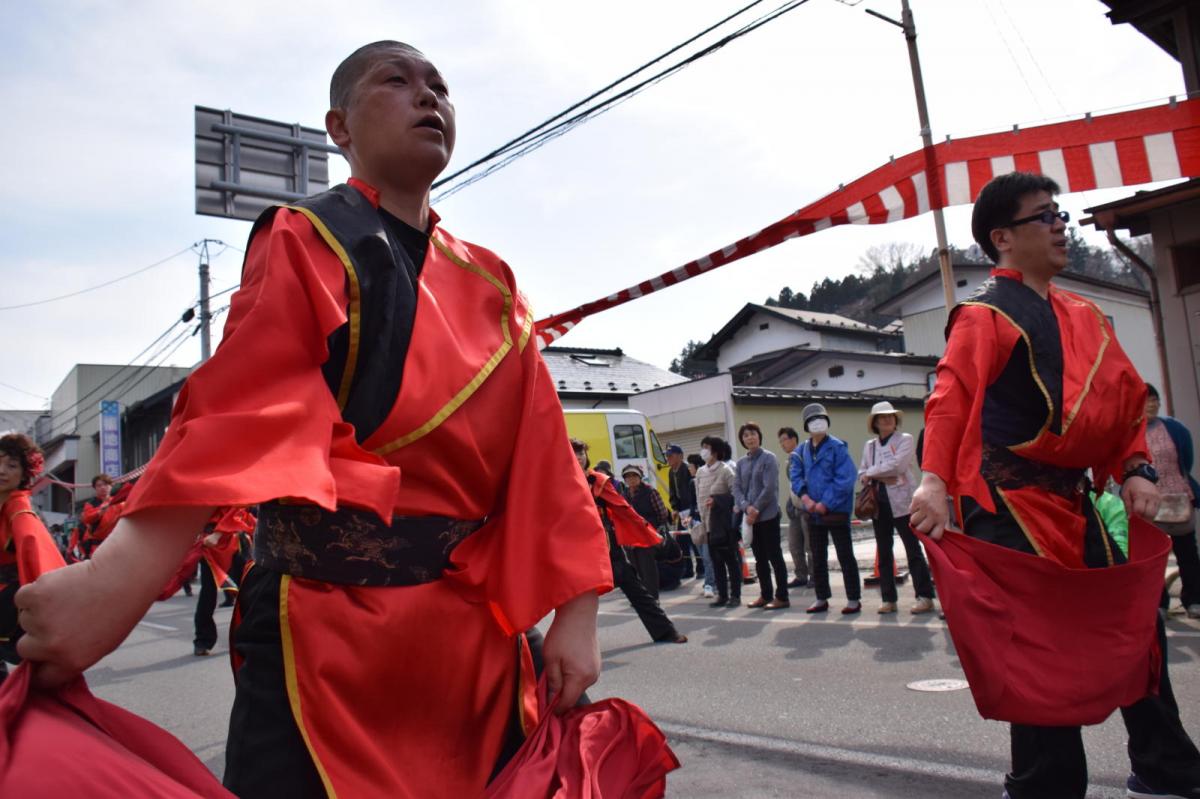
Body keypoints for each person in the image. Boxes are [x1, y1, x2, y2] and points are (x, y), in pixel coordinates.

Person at [14, 41, 614, 798]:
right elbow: (240, 417)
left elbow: (546, 462)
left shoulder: (494, 282)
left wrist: (578, 612)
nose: (428, 97)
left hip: (472, 647)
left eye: (440, 87)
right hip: (319, 630)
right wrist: (113, 582)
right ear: (340, 127)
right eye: (396, 81)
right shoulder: (306, 236)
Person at [910, 171, 1200, 799]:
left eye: (1059, 214)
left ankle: (1164, 762)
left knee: (1133, 626)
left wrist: (1134, 468)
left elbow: (1121, 403)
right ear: (1003, 238)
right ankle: (1046, 784)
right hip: (1010, 504)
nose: (1060, 226)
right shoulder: (984, 312)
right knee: (1038, 650)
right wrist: (933, 479)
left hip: (1075, 502)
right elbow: (951, 395)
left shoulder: (1084, 312)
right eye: (1045, 216)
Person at [572, 440, 686, 645]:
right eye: (574, 454)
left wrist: (647, 531)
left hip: (607, 545)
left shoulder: (597, 481)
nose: (579, 457)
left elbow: (623, 508)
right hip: (579, 550)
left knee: (635, 588)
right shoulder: (563, 483)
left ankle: (666, 632)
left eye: (581, 453)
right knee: (577, 601)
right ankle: (575, 647)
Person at [857, 401, 934, 615]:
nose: (887, 420)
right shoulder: (869, 446)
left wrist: (872, 473)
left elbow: (898, 466)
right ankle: (888, 598)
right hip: (878, 503)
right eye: (882, 417)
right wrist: (874, 474)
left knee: (912, 549)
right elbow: (861, 472)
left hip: (903, 503)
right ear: (875, 422)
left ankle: (924, 596)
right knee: (884, 551)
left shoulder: (905, 439)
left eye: (890, 416)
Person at [0, 433, 65, 683]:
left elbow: (36, 551)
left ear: (24, 473)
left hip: (13, 596)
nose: (2, 471)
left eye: (12, 466)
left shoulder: (20, 509)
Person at [789, 404, 861, 614]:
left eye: (821, 419)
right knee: (817, 555)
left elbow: (846, 478)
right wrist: (806, 499)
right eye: (812, 420)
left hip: (836, 510)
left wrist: (825, 503)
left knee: (845, 554)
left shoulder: (838, 447)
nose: (817, 423)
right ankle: (821, 597)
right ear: (806, 426)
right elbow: (795, 476)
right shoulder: (800, 451)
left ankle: (854, 598)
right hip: (812, 512)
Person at [1144, 383, 1200, 619]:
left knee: (1187, 551)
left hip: (1177, 496)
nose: (1152, 404)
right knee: (1152, 555)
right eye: (1146, 400)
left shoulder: (1174, 428)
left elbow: (1185, 459)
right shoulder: (1130, 432)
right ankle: (1160, 603)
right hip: (1148, 501)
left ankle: (1194, 600)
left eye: (1154, 399)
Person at [734, 422, 788, 609]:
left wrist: (755, 509)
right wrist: (746, 507)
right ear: (742, 440)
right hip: (750, 517)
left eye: (753, 434)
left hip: (768, 515)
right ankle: (765, 595)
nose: (750, 438)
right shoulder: (741, 463)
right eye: (746, 435)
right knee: (759, 558)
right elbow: (737, 488)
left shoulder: (769, 458)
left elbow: (769, 487)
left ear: (759, 435)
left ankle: (782, 596)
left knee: (775, 555)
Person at [696, 436, 740, 607]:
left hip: (724, 524)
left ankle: (735, 595)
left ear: (716, 450)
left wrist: (718, 501)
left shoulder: (726, 471)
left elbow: (736, 494)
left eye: (707, 447)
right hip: (708, 525)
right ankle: (722, 594)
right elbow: (698, 496)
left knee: (731, 560)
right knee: (716, 561)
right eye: (703, 446)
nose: (704, 450)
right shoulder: (700, 472)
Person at [777, 427, 812, 589]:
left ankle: (815, 575)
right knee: (794, 544)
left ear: (793, 439)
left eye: (784, 439)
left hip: (807, 507)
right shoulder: (790, 460)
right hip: (795, 507)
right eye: (780, 441)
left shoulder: (804, 454)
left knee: (810, 545)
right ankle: (801, 575)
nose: (782, 444)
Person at [665, 444, 698, 580]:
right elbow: (673, 492)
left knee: (695, 539)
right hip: (681, 510)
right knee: (682, 540)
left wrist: (691, 509)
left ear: (679, 456)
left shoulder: (686, 469)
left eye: (671, 455)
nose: (668, 458)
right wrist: (675, 508)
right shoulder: (671, 471)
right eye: (667, 456)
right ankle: (688, 568)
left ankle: (701, 567)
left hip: (690, 508)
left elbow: (692, 491)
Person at [686, 453, 716, 598]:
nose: (689, 469)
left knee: (707, 555)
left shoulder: (710, 479)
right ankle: (712, 581)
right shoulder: (692, 483)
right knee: (703, 556)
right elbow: (692, 504)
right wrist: (690, 517)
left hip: (709, 521)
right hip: (697, 523)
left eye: (691, 466)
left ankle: (710, 583)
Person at [77, 474, 113, 558]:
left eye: (106, 484)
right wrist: (100, 512)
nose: (103, 487)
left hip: (116, 541)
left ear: (111, 486)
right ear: (95, 488)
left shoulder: (119, 501)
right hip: (97, 544)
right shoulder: (90, 504)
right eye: (99, 485)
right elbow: (87, 518)